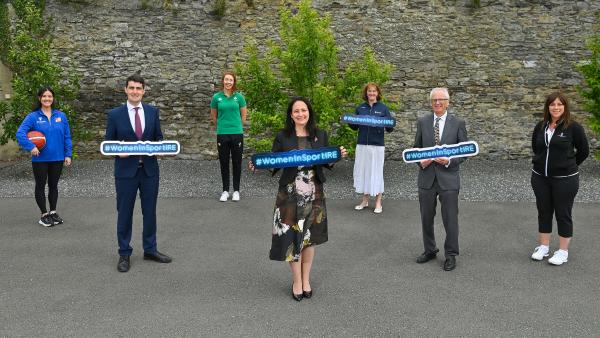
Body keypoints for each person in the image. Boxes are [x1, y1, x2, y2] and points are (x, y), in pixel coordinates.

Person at [249, 97, 347, 301]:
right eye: (296, 111)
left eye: (303, 110)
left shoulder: (320, 134)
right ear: (291, 115)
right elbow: (274, 161)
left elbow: (327, 162)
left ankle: (306, 279)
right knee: (290, 238)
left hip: (314, 191)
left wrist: (337, 156)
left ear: (309, 112)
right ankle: (296, 281)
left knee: (310, 238)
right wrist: (258, 165)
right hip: (289, 192)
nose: (300, 114)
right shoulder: (283, 136)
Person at [105, 74, 172, 273]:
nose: (135, 91)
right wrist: (119, 152)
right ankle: (124, 252)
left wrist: (159, 148)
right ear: (125, 90)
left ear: (143, 91)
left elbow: (159, 138)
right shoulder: (115, 115)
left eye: (138, 88)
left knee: (150, 212)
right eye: (131, 88)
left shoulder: (152, 112)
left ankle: (150, 249)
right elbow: (108, 143)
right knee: (124, 213)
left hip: (149, 171)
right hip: (125, 172)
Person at [530, 92, 589, 266]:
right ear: (548, 107)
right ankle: (544, 246)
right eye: (552, 104)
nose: (556, 107)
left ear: (565, 107)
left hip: (565, 179)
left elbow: (584, 151)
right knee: (544, 212)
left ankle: (563, 251)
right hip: (540, 178)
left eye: (559, 104)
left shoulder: (574, 128)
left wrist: (568, 165)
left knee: (563, 214)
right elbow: (536, 147)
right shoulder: (541, 126)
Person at [413, 88, 468, 271]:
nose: (437, 103)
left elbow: (465, 151)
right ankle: (430, 250)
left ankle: (451, 254)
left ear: (448, 102)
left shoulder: (458, 123)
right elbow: (416, 150)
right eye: (434, 100)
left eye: (441, 100)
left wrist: (450, 160)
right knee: (426, 218)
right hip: (426, 178)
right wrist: (422, 162)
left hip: (449, 178)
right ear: (431, 103)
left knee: (450, 219)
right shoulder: (423, 122)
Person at [16, 87, 73, 227]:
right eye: (44, 96)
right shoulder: (33, 117)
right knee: (40, 186)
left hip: (58, 158)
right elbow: (20, 133)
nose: (47, 99)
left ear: (53, 98)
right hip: (40, 158)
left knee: (54, 186)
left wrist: (68, 154)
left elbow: (67, 136)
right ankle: (44, 215)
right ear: (39, 98)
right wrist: (31, 147)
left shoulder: (61, 115)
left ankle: (53, 212)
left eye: (50, 96)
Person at [349, 82, 394, 214]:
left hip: (377, 146)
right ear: (366, 93)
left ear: (378, 93)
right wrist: (350, 121)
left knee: (377, 172)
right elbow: (354, 127)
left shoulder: (383, 108)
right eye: (369, 91)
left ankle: (378, 202)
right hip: (362, 145)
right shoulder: (360, 108)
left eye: (374, 91)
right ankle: (365, 200)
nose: (372, 93)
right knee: (364, 172)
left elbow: (389, 128)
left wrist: (390, 123)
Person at [210, 71, 247, 202]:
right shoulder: (216, 97)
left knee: (237, 162)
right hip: (222, 134)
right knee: (224, 162)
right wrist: (221, 127)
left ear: (234, 82)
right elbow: (214, 116)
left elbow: (243, 116)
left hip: (237, 134)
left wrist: (237, 126)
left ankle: (236, 190)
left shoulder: (239, 97)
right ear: (223, 81)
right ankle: (225, 191)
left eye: (231, 80)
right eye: (226, 80)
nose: (228, 82)